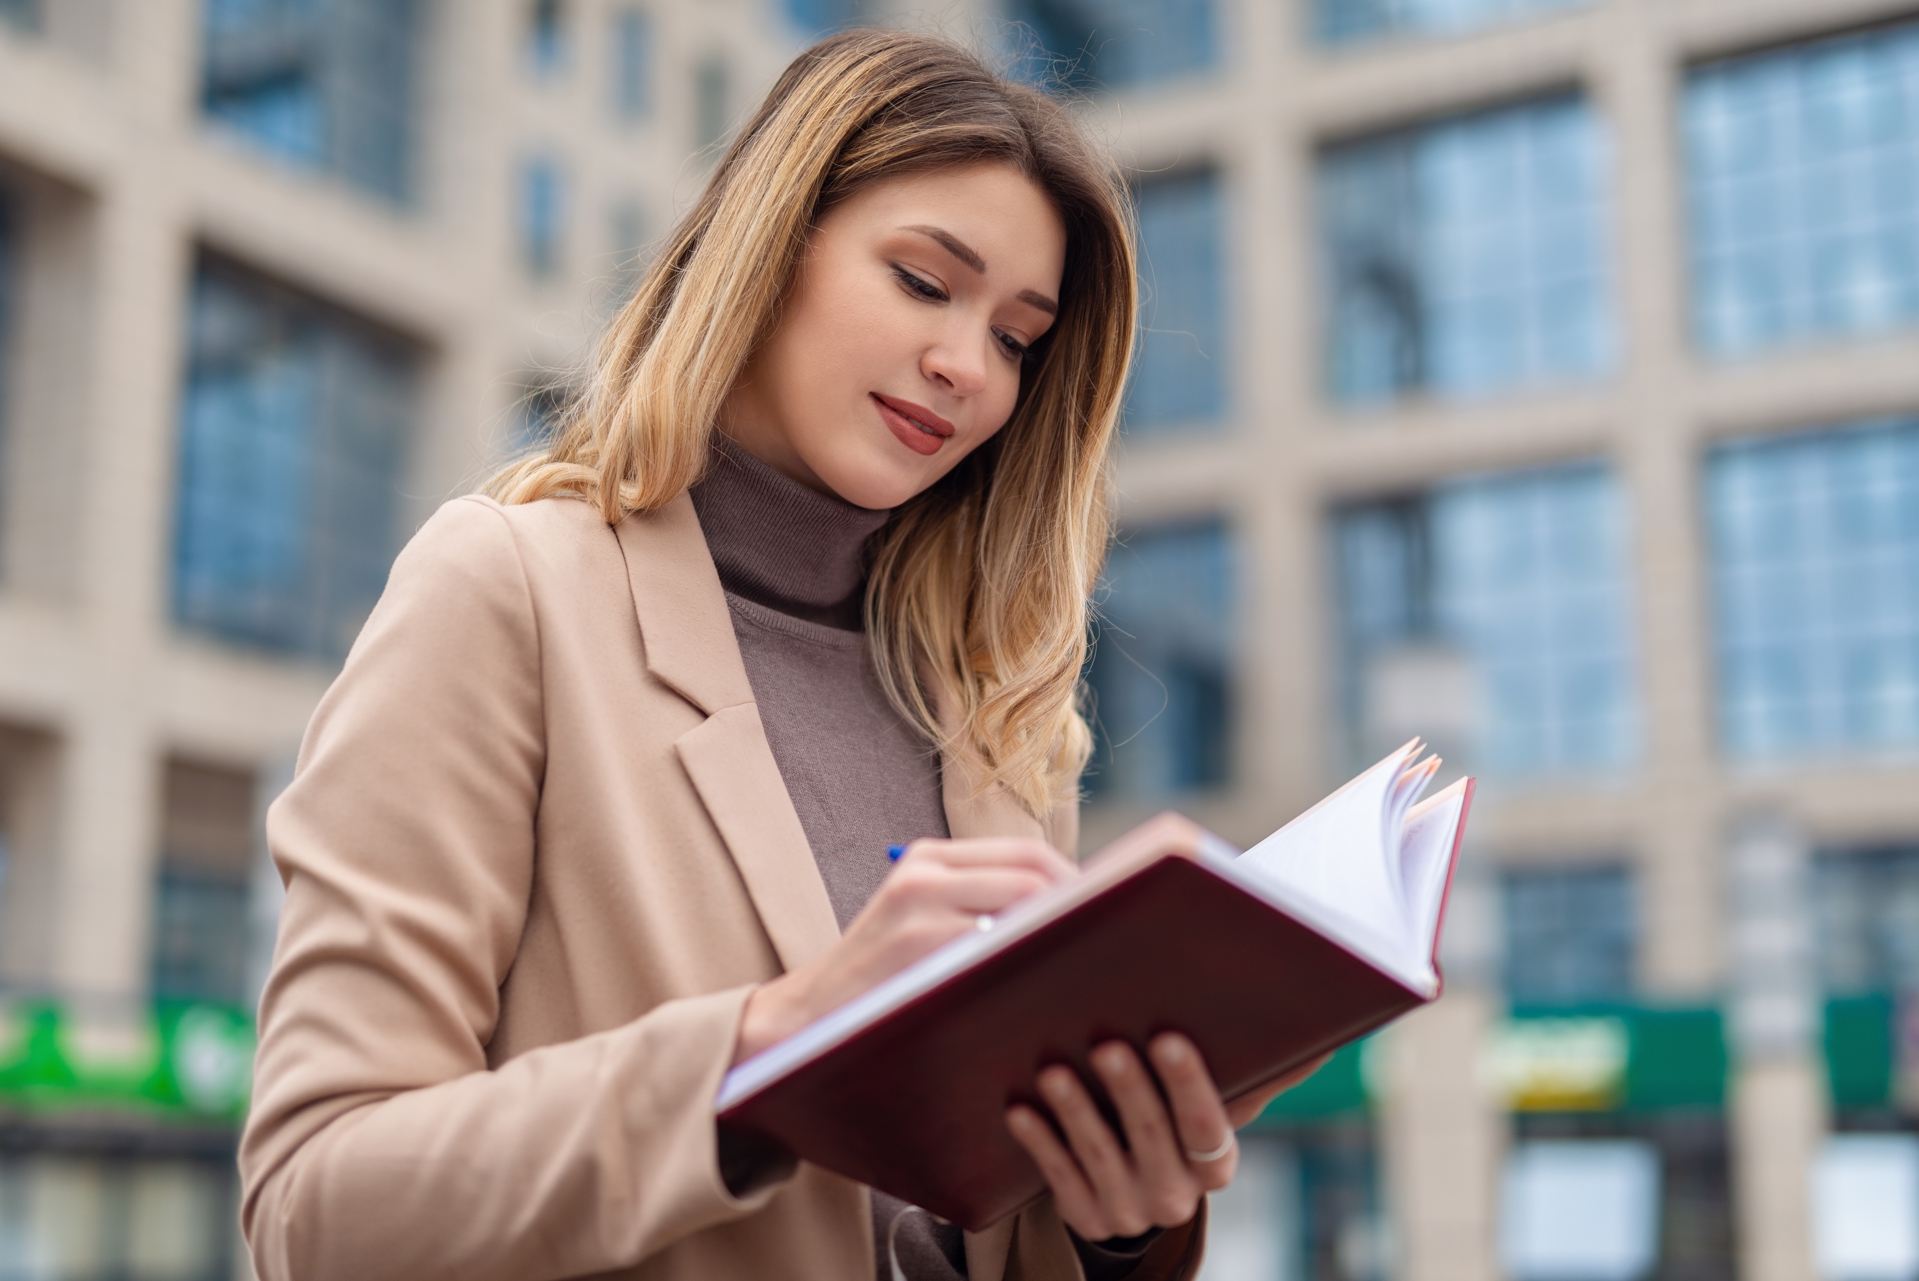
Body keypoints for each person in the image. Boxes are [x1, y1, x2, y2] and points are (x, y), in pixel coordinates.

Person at [239, 29, 1312, 1281]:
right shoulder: (508, 590)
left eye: (1018, 338)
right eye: (922, 281)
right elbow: (315, 1207)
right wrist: (765, 1052)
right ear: (769, 249)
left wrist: (1118, 1228)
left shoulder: (1000, 720)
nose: (966, 367)